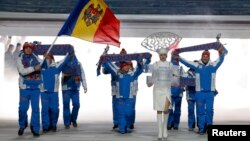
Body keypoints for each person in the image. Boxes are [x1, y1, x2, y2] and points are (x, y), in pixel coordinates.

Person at [176, 48, 227, 134]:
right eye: (204, 56)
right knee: (200, 111)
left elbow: (221, 59)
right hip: (199, 92)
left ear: (209, 57)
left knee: (209, 110)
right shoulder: (197, 66)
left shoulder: (213, 65)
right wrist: (178, 57)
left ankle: (209, 125)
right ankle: (201, 128)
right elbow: (187, 62)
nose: (205, 57)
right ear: (202, 56)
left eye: (207, 56)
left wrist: (221, 52)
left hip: (210, 92)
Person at [102, 57, 150, 134]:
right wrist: (104, 60)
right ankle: (122, 128)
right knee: (121, 113)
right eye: (125, 65)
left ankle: (127, 124)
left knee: (129, 113)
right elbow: (109, 67)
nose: (127, 67)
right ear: (122, 66)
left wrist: (147, 60)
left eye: (129, 65)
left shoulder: (133, 74)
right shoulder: (117, 73)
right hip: (120, 98)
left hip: (130, 98)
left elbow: (140, 69)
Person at [147, 48, 175, 139]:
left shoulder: (171, 65)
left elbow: (174, 76)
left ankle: (165, 129)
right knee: (159, 109)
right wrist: (149, 82)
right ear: (159, 56)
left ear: (166, 56)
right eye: (161, 55)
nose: (163, 56)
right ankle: (159, 131)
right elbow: (152, 77)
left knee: (166, 109)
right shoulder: (155, 65)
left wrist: (177, 79)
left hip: (167, 89)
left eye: (164, 55)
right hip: (158, 89)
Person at [16, 42, 42, 137]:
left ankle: (35, 128)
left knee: (35, 109)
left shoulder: (36, 57)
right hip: (24, 88)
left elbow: (43, 64)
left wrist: (46, 59)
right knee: (23, 109)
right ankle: (22, 125)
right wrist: (34, 68)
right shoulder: (20, 58)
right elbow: (22, 71)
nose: (28, 49)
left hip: (35, 87)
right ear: (23, 48)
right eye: (26, 48)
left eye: (30, 48)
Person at [41, 52, 70, 133]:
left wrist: (69, 51)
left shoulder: (57, 66)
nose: (45, 59)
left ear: (51, 58)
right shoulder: (40, 66)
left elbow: (65, 60)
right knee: (45, 110)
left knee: (54, 110)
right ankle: (45, 126)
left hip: (54, 92)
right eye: (44, 57)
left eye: (47, 57)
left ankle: (53, 124)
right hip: (43, 92)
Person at [61, 54, 87, 129]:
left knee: (76, 105)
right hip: (66, 87)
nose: (71, 54)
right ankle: (67, 123)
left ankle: (73, 119)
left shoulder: (78, 64)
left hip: (75, 87)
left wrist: (84, 85)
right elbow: (56, 70)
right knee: (66, 105)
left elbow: (82, 74)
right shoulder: (63, 63)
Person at [167, 56, 184, 130]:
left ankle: (176, 124)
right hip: (170, 92)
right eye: (174, 58)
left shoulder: (181, 69)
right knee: (169, 109)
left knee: (177, 109)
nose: (175, 60)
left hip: (179, 92)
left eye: (176, 58)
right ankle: (169, 123)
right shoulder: (168, 69)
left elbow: (184, 79)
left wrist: (182, 88)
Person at [185, 61, 198, 131]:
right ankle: (191, 125)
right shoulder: (187, 73)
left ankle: (200, 124)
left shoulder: (200, 71)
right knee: (191, 110)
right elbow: (183, 82)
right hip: (190, 94)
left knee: (199, 110)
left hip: (198, 94)